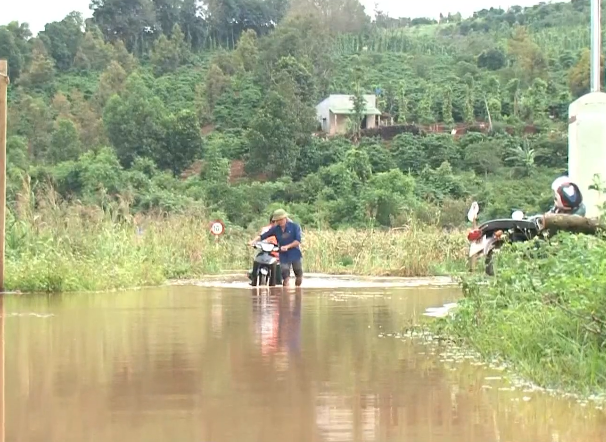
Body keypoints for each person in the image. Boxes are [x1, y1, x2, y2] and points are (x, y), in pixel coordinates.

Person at [250, 209, 303, 286]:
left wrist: (287, 246)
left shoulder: (295, 226)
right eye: (277, 220)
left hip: (294, 251)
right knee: (285, 276)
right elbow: (263, 236)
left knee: (298, 273)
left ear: (285, 218)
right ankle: (285, 294)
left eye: (280, 220)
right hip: (283, 253)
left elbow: (297, 241)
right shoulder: (275, 228)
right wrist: (253, 241)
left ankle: (297, 291)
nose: (279, 222)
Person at [249, 214, 282, 286]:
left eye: (276, 221)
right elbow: (260, 237)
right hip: (264, 251)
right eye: (273, 221)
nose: (274, 223)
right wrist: (253, 242)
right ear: (270, 221)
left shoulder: (281, 230)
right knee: (257, 258)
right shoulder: (265, 229)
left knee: (279, 281)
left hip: (276, 254)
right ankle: (253, 278)